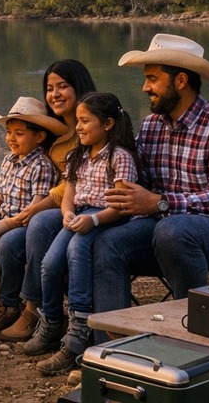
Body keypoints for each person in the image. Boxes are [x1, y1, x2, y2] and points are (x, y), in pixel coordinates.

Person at [92, 33, 209, 318]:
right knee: (108, 242)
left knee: (173, 230)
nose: (145, 87)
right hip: (165, 230)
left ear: (181, 81)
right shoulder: (152, 125)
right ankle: (110, 337)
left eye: (152, 79)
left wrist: (159, 202)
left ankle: (197, 323)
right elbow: (141, 183)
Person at [26, 92, 143, 374]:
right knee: (50, 264)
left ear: (108, 124)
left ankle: (78, 331)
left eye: (85, 121)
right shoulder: (76, 155)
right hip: (79, 214)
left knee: (76, 251)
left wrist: (94, 220)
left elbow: (122, 207)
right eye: (77, 121)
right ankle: (52, 321)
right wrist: (67, 213)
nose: (78, 127)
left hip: (105, 217)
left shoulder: (120, 157)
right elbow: (68, 196)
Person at [0, 59, 97, 343]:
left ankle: (36, 309)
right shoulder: (54, 131)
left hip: (79, 206)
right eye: (50, 88)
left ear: (79, 87)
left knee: (40, 222)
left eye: (62, 86)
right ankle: (9, 305)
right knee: (8, 242)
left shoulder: (90, 126)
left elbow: (76, 178)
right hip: (53, 206)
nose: (54, 94)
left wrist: (38, 206)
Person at [0, 96, 68, 334]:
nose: (11, 138)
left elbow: (36, 208)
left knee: (7, 244)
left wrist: (5, 224)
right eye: (9, 132)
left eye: (19, 133)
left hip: (24, 221)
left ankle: (8, 305)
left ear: (39, 137)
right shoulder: (9, 159)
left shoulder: (41, 165)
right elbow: (0, 191)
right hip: (4, 213)